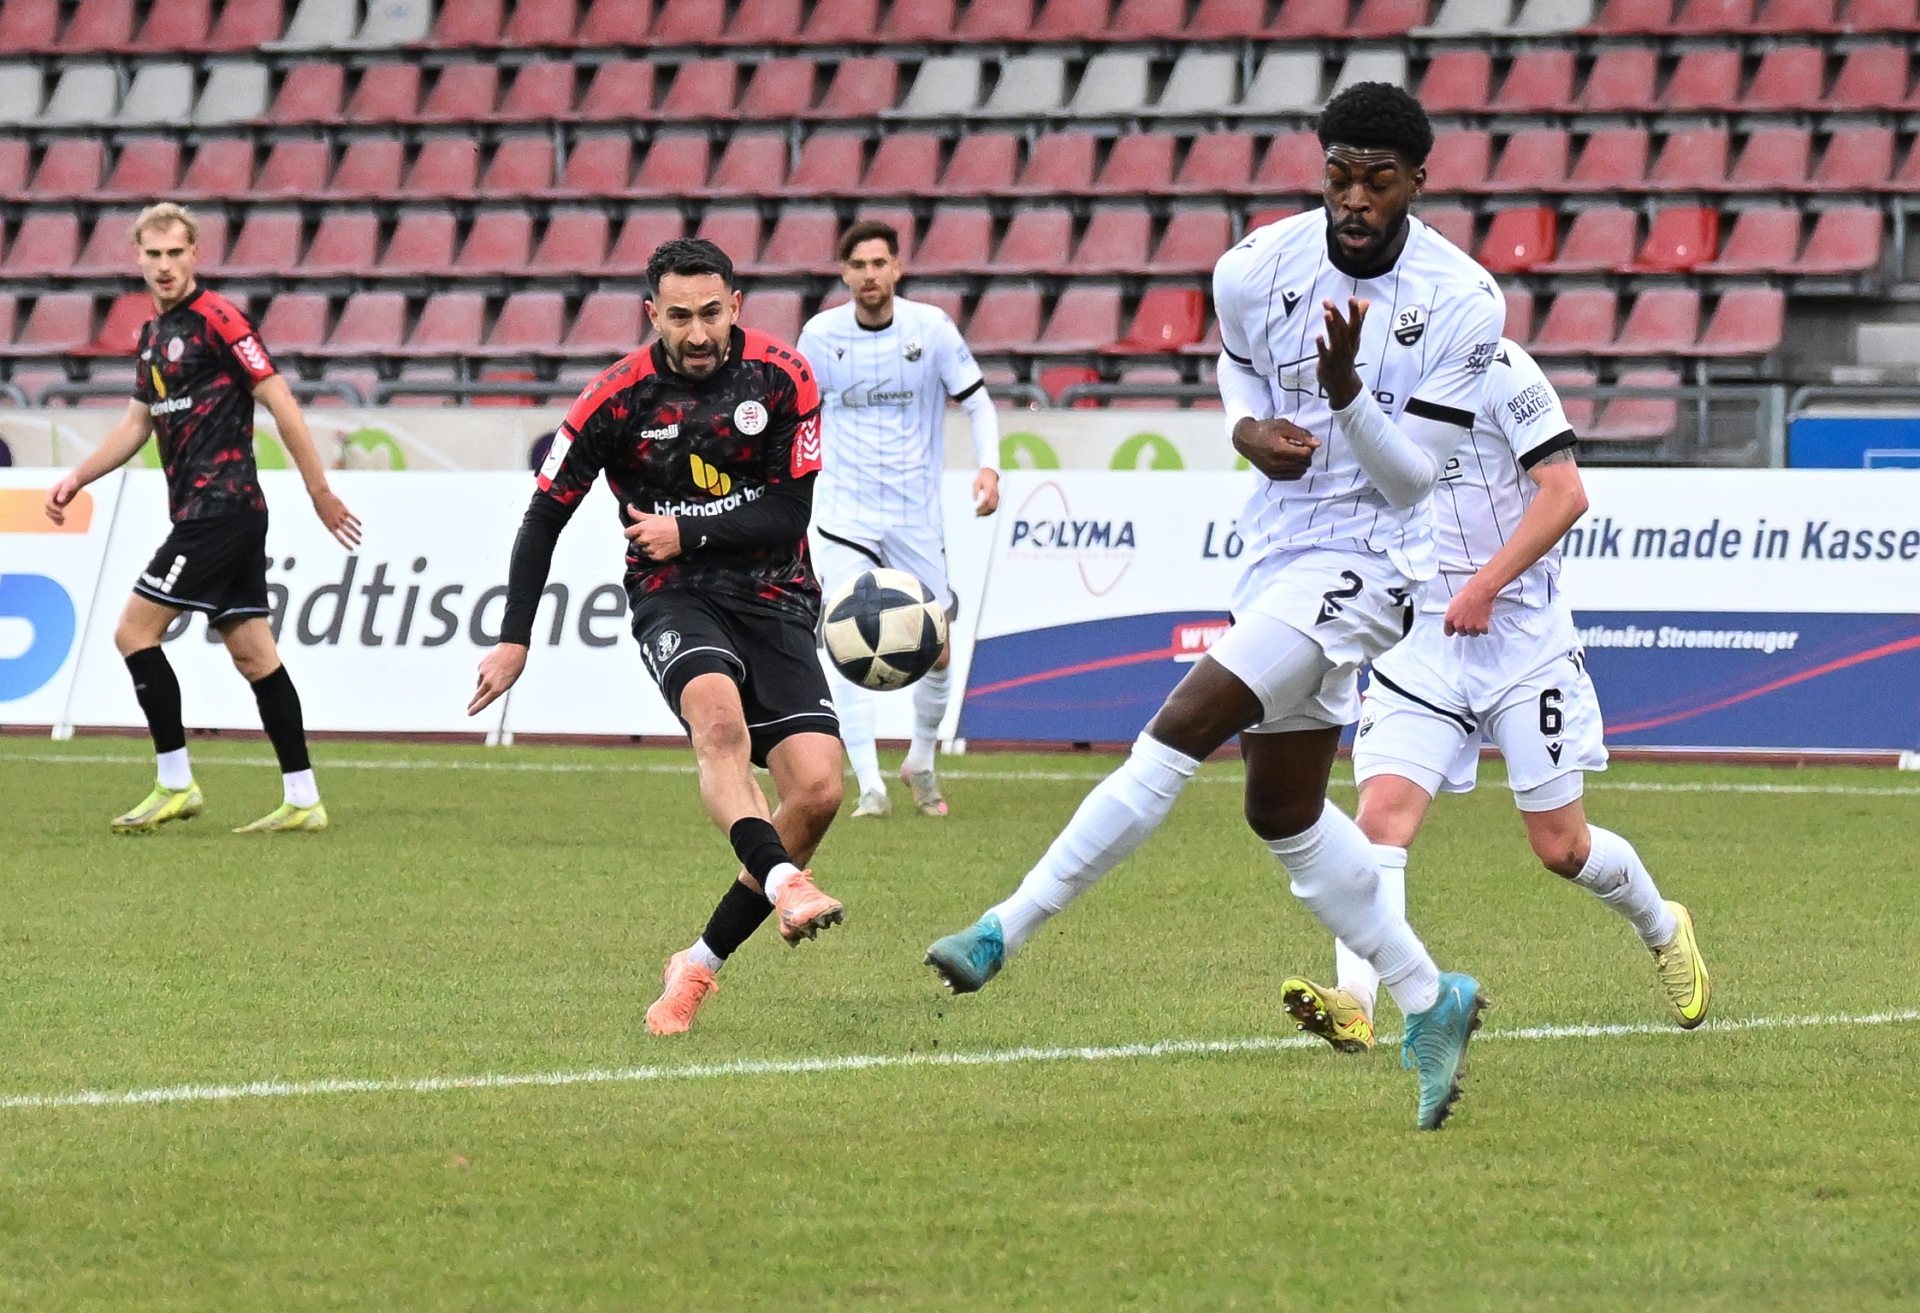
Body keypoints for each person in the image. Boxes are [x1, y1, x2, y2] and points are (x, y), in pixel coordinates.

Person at [923, 83, 1506, 1130]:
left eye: (1378, 180)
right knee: (1282, 810)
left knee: (1182, 724)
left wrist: (1344, 396)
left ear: (1419, 182)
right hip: (1278, 551)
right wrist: (1246, 432)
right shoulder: (1254, 267)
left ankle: (1005, 926)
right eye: (1339, 176)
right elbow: (1239, 374)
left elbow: (1414, 480)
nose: (1354, 199)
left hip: (1376, 561)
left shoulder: (1465, 300)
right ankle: (1430, 998)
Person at [1280, 341, 1710, 1052]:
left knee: (1562, 847)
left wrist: (1485, 585)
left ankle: (1663, 927)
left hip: (1522, 641)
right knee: (1379, 821)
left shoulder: (1500, 367)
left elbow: (1566, 493)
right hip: (1422, 641)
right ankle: (1356, 1000)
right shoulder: (1373, 372)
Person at [469, 238, 847, 1037]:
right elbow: (543, 515)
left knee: (818, 790)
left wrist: (688, 529)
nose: (698, 332)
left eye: (711, 312)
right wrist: (514, 637)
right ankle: (787, 882)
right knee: (719, 726)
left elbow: (790, 512)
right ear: (653, 314)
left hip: (778, 594)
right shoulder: (616, 398)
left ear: (736, 305)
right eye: (679, 316)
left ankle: (698, 962)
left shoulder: (784, 377)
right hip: (674, 595)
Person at [44, 202, 361, 834]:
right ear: (137, 258)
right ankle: (304, 799)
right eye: (153, 254)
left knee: (134, 632)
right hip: (210, 511)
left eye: (175, 252)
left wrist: (319, 489)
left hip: (222, 509)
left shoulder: (220, 319)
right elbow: (136, 423)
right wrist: (78, 477)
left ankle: (174, 782)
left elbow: (280, 400)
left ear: (195, 253)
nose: (164, 265)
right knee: (255, 656)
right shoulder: (153, 335)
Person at [797, 220, 1001, 819]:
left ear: (897, 267)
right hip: (845, 514)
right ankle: (869, 785)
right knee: (843, 637)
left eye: (879, 263)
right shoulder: (820, 335)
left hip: (915, 516)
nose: (869, 275)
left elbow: (978, 402)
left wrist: (989, 468)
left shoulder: (929, 328)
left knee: (936, 649)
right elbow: (795, 415)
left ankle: (921, 761)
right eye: (858, 265)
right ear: (844, 273)